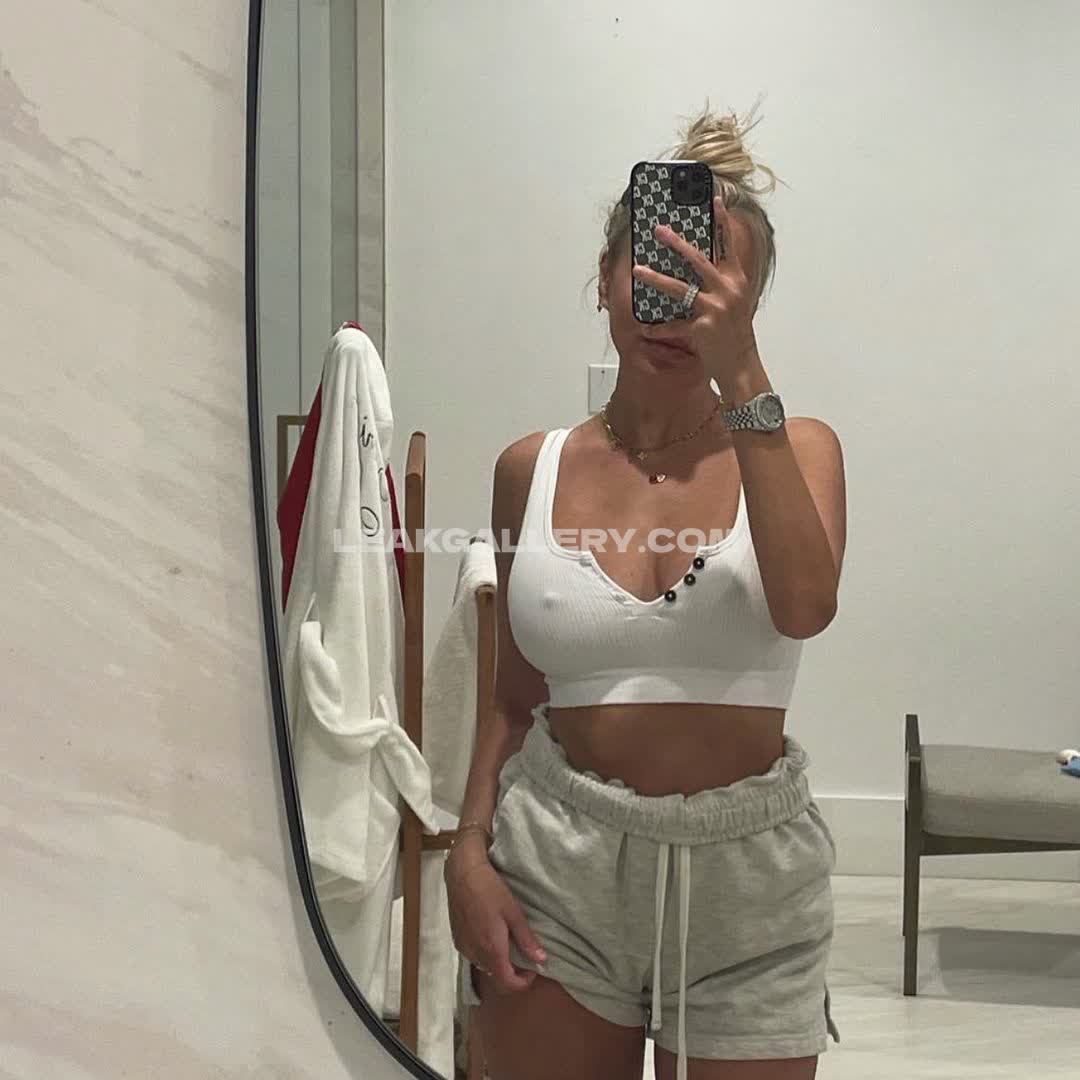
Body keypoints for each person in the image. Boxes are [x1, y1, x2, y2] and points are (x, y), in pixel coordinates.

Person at [444, 102, 847, 1080]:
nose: (677, 303)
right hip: (555, 862)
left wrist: (740, 370)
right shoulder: (528, 469)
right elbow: (513, 697)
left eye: (713, 282)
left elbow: (803, 608)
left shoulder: (799, 449)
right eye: (657, 268)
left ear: (748, 307)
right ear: (606, 277)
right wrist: (467, 849)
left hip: (749, 885)